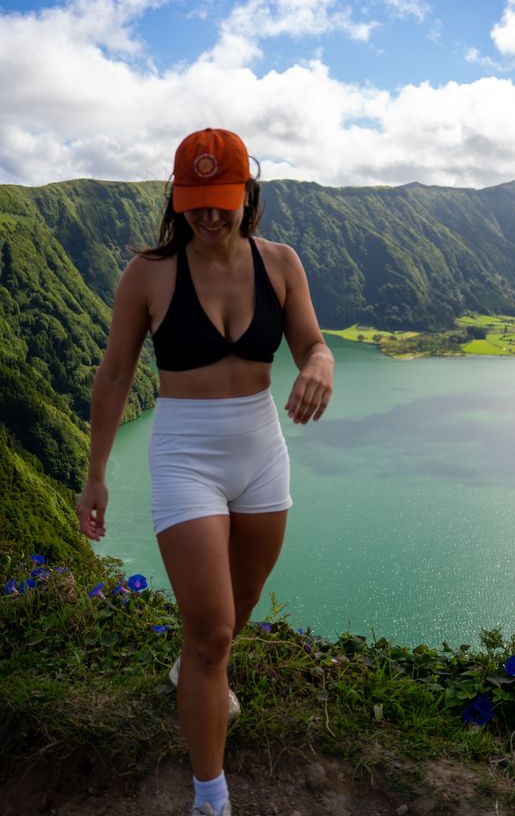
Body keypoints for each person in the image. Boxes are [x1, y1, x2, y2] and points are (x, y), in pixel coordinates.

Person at [76, 128, 334, 816]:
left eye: (221, 201)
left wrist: (320, 365)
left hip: (260, 452)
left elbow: (312, 342)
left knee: (240, 605)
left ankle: (192, 671)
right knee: (213, 633)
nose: (209, 216)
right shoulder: (150, 274)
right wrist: (95, 475)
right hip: (184, 456)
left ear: (247, 195)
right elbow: (114, 374)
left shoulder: (280, 263)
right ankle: (210, 797)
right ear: (177, 199)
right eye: (195, 202)